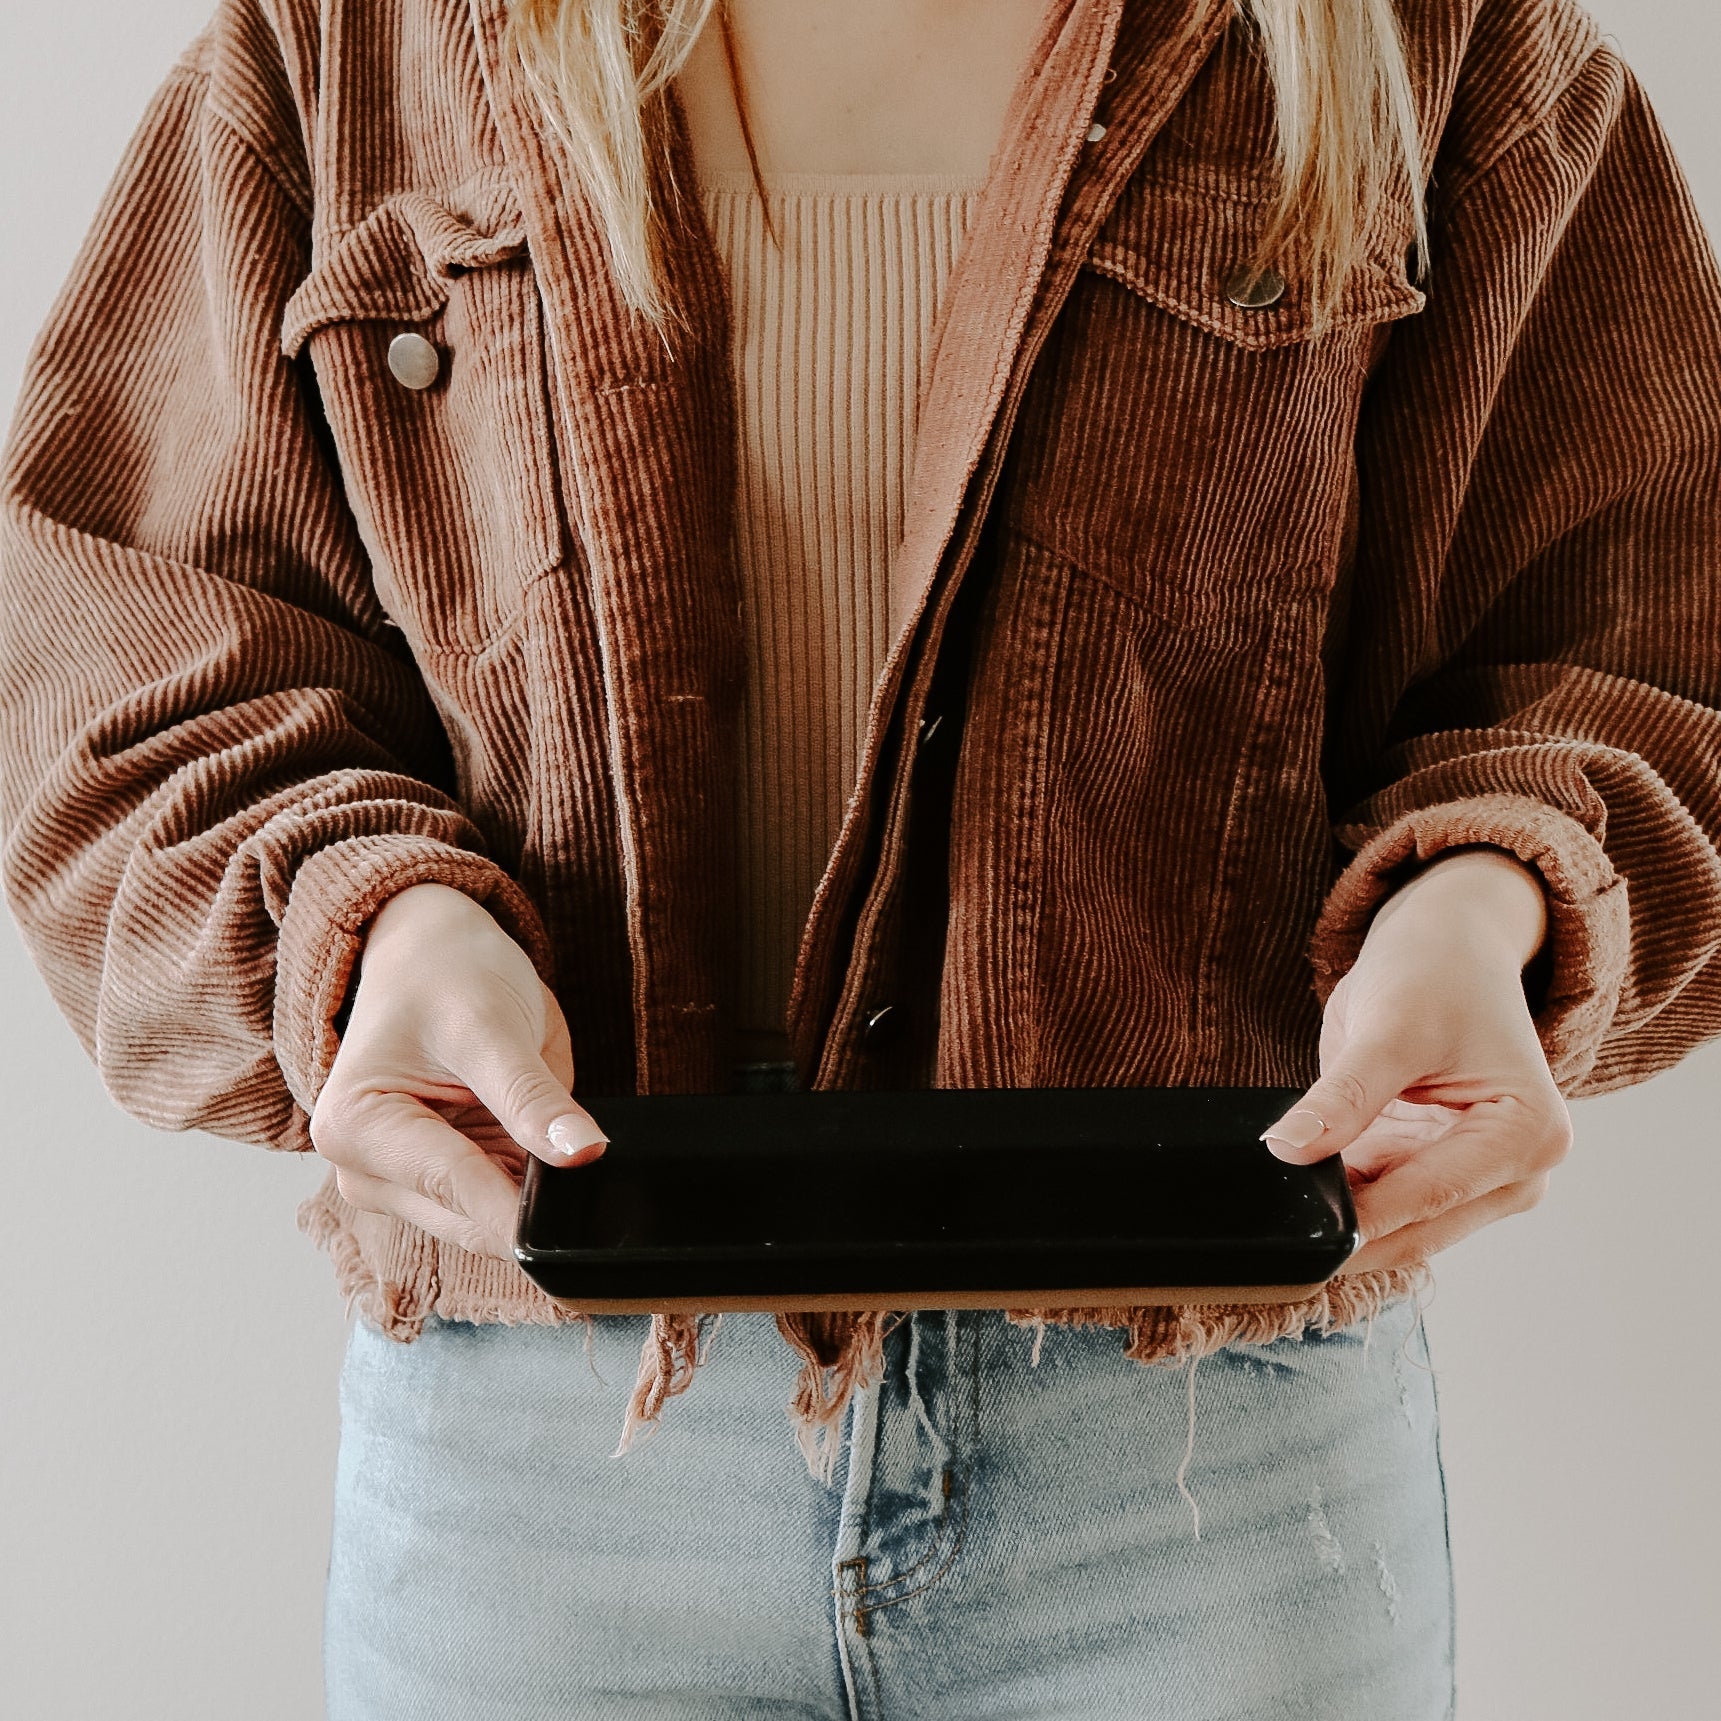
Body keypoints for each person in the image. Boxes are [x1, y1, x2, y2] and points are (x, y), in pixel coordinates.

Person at [3, 0, 1718, 1714]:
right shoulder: (353, 43)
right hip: (547, 1458)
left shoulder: (1428, 43)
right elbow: (113, 661)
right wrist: (381, 924)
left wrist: (1482, 904)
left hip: (1199, 1454)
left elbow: (1653, 641)